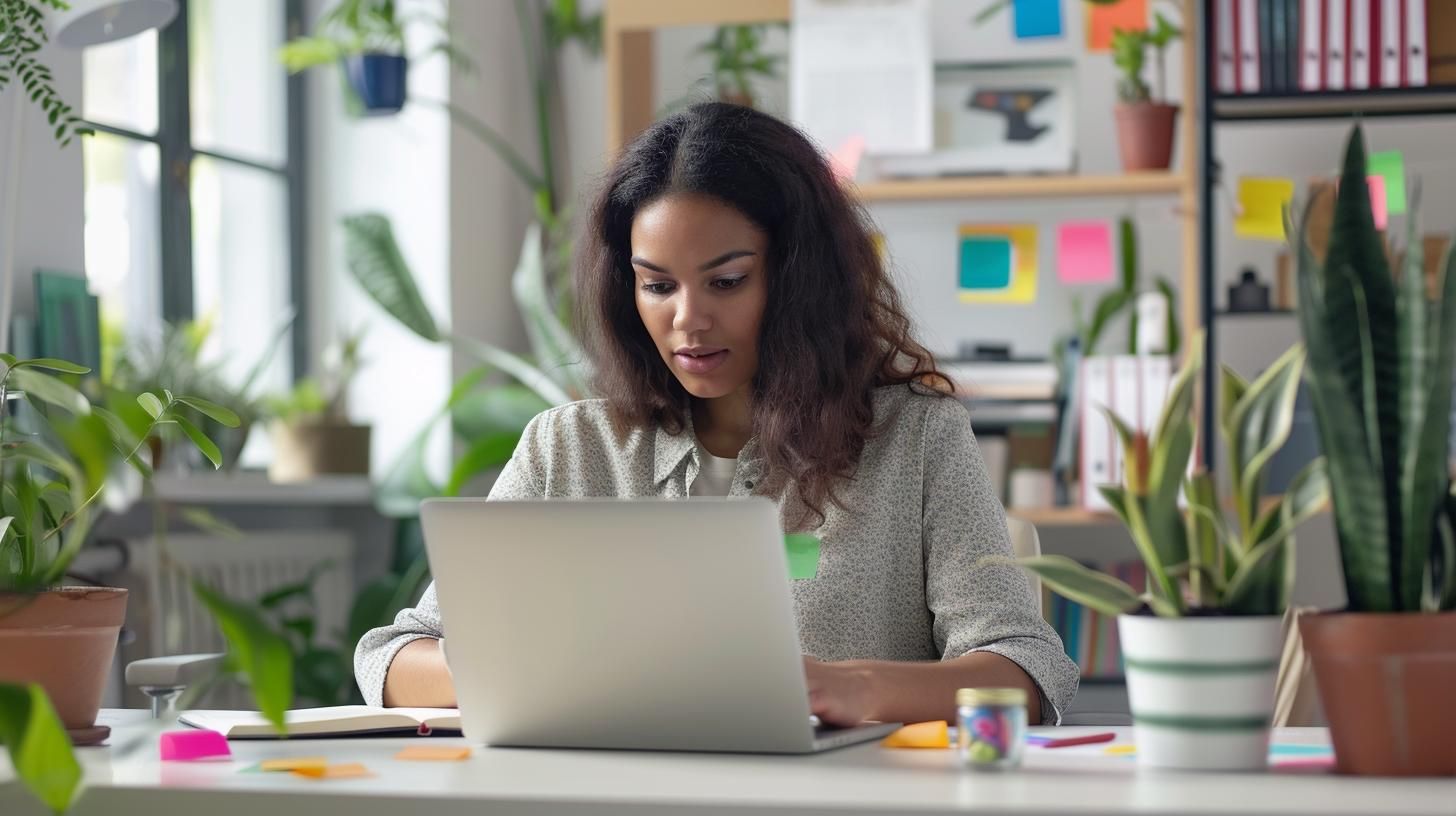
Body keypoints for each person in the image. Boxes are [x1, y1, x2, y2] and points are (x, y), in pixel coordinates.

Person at [355, 102, 1078, 726]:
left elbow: (1026, 667)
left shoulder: (915, 437)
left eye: (726, 281)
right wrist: (567, 684)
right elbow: (394, 658)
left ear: (796, 277)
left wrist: (850, 686)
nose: (688, 320)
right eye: (657, 285)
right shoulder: (568, 448)